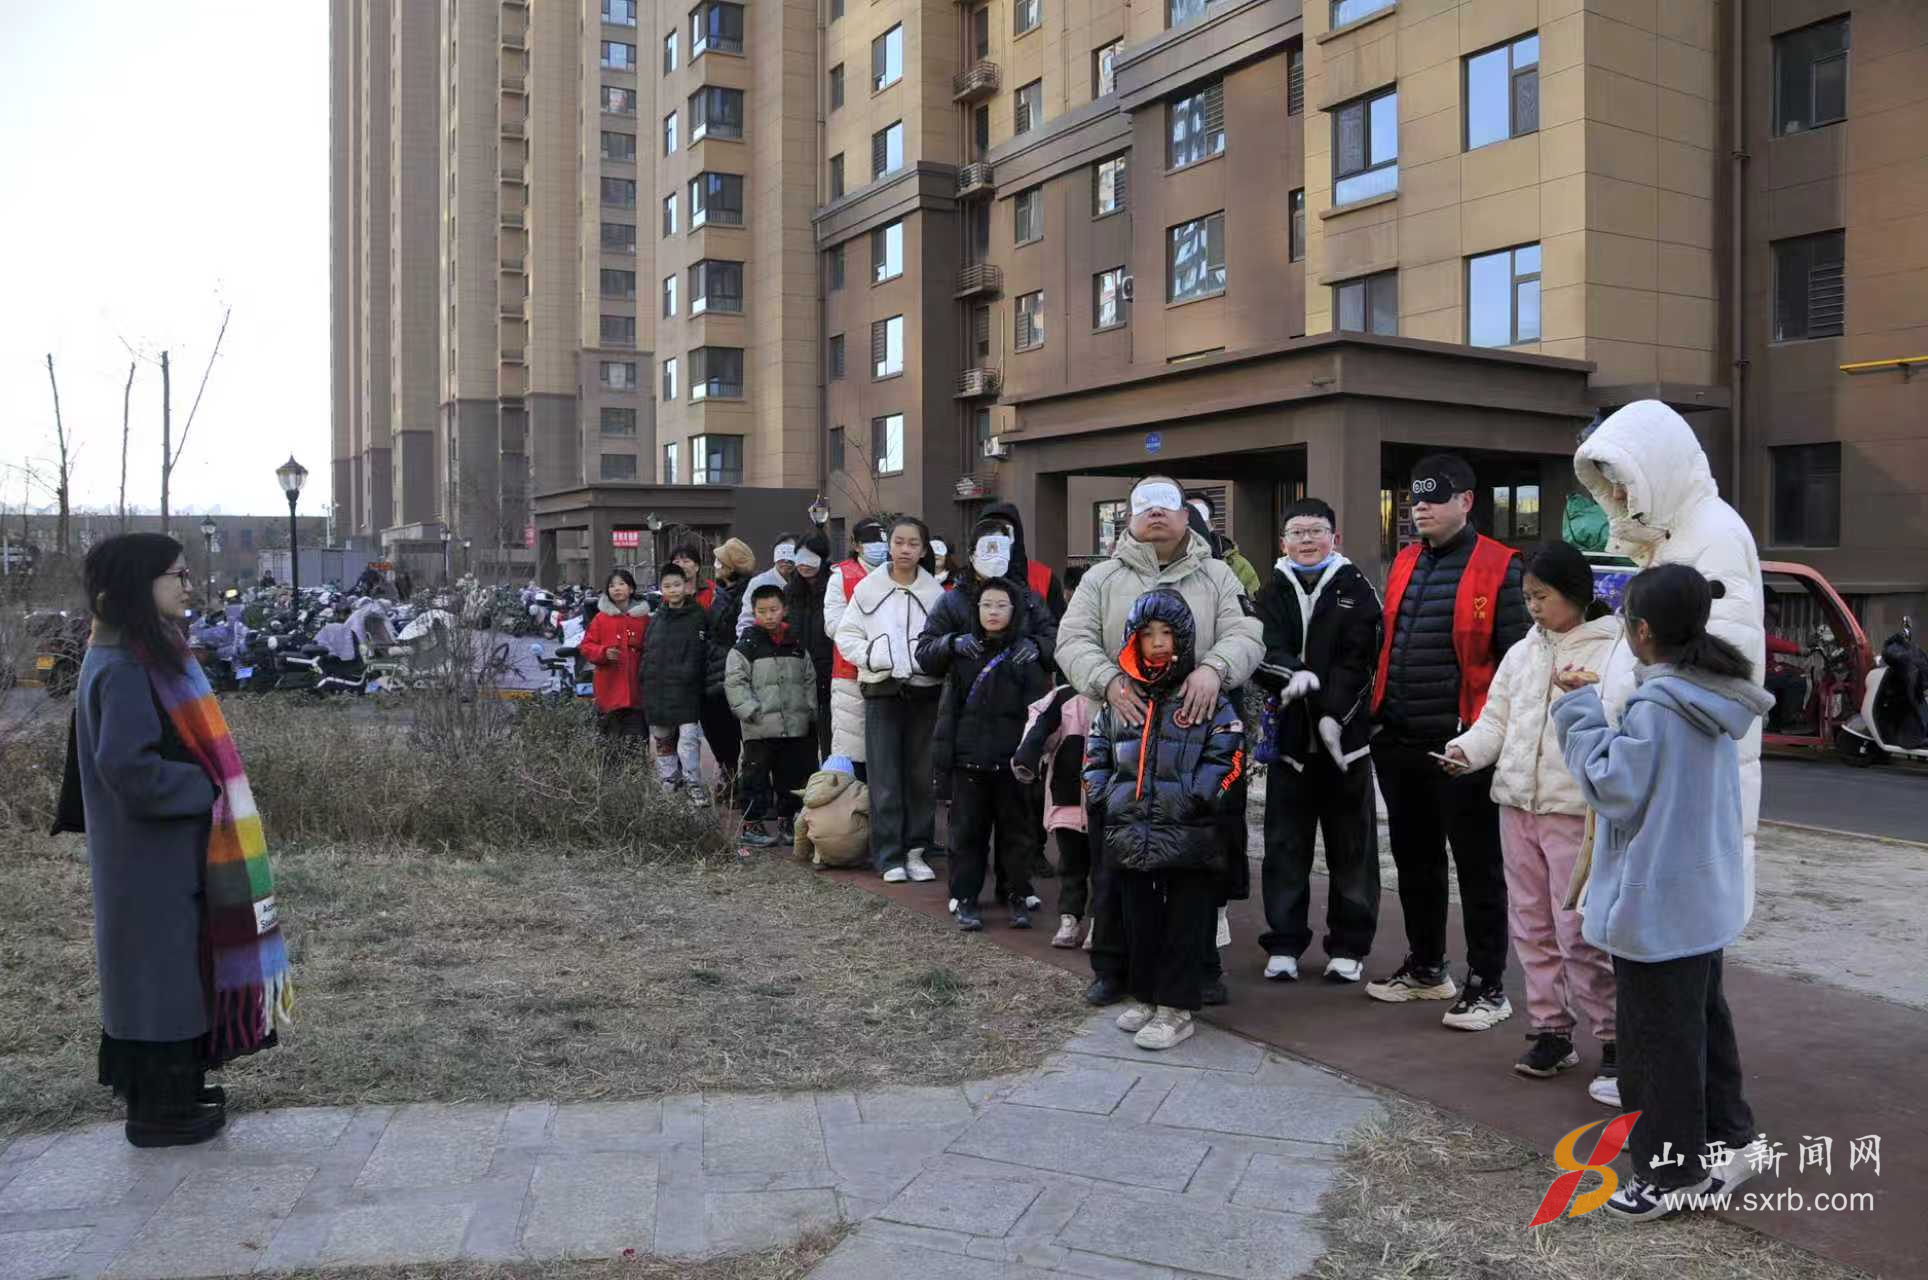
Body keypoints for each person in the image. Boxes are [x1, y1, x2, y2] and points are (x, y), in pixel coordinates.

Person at [1552, 563, 1774, 1221]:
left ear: (1642, 630)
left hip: (1654, 900)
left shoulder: (1658, 705)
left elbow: (1612, 788)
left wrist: (1577, 711)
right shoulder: (1710, 693)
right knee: (1701, 1024)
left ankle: (1669, 1173)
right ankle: (1729, 1140)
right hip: (1698, 894)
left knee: (1654, 1044)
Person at [55, 534, 293, 1147]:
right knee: (159, 984)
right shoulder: (125, 664)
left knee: (174, 976)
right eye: (178, 575)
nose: (189, 586)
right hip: (148, 863)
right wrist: (206, 785)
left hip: (154, 859)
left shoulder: (131, 650)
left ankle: (178, 1094)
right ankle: (157, 1113)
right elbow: (128, 768)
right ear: (141, 583)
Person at [1055, 474, 1264, 1006]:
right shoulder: (1101, 578)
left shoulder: (1217, 575)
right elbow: (1072, 640)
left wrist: (1214, 669)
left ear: (1185, 515)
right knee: (1114, 858)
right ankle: (1113, 966)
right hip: (1123, 739)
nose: (1155, 513)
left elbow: (1247, 634)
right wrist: (1108, 680)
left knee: (1200, 861)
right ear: (1129, 516)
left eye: (1166, 504)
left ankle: (1201, 965)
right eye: (1144, 504)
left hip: (1197, 743)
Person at [1574, 399, 1766, 917]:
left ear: (1658, 468)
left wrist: (1633, 715)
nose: (1617, 495)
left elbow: (1713, 673)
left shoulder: (1712, 536)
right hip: (1660, 768)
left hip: (1676, 774)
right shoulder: (1674, 536)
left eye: (1624, 480)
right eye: (1609, 483)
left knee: (1676, 933)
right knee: (1673, 932)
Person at [1442, 543, 1621, 1098]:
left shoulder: (1614, 651)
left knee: (1579, 932)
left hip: (1574, 811)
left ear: (1576, 594)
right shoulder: (1523, 651)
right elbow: (1495, 720)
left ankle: (1616, 1037)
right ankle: (1550, 1030)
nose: (1534, 607)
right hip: (1516, 804)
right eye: (1528, 598)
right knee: (1531, 925)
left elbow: (1617, 726)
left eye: (1543, 596)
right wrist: (1467, 751)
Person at [1364, 454, 1527, 1030]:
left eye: (1436, 496)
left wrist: (1486, 741)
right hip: (1399, 738)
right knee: (1415, 861)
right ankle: (1427, 967)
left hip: (1465, 747)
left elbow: (1516, 666)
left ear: (1467, 501)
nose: (1422, 507)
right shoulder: (1405, 561)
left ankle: (1489, 984)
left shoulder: (1502, 567)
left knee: (1479, 868)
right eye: (1417, 497)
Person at [1084, 588, 1249, 1050]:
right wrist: (1103, 794)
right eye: (1147, 634)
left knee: (1185, 923)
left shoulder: (1204, 696)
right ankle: (1147, 996)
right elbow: (1097, 749)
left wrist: (1200, 798)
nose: (1157, 643)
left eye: (1166, 633)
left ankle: (1177, 1009)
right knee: (1138, 920)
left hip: (1189, 833)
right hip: (1131, 831)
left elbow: (1228, 750)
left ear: (1184, 638)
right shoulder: (1122, 697)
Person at [1250, 499, 1382, 984]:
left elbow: (1361, 661)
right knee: (1285, 847)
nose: (1307, 540)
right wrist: (1294, 673)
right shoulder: (1271, 590)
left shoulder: (1357, 589)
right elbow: (1261, 648)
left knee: (1352, 849)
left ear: (1335, 537)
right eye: (1297, 532)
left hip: (1347, 747)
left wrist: (1332, 715)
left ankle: (1348, 946)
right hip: (1290, 745)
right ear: (1283, 541)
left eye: (1316, 531)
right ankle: (1284, 943)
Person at [929, 578, 1050, 929]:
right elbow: (948, 713)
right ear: (976, 610)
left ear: (1015, 611)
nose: (993, 612)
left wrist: (1030, 756)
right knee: (967, 833)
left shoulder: (1026, 656)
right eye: (986, 605)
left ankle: (1016, 893)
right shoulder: (963, 654)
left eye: (1001, 605)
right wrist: (945, 759)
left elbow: (1038, 713)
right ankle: (965, 896)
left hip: (1013, 762)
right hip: (969, 760)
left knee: (1016, 833)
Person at [835, 516, 945, 882]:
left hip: (925, 691)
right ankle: (888, 854)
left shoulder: (936, 594)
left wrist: (929, 660)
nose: (905, 550)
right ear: (889, 545)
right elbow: (846, 636)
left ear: (923, 550)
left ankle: (916, 850)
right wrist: (875, 655)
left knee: (920, 775)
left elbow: (945, 639)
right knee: (884, 775)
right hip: (881, 689)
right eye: (899, 542)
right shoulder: (868, 589)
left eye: (913, 544)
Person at [726, 583, 818, 846]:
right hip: (759, 727)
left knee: (791, 775)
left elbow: (808, 679)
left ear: (784, 610)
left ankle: (788, 821)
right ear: (754, 612)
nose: (769, 616)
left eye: (774, 610)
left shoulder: (796, 646)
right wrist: (750, 711)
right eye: (762, 611)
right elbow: (735, 682)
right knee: (755, 776)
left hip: (794, 726)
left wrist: (808, 710)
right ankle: (751, 824)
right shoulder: (745, 647)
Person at [1012, 682, 1096, 947]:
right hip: (1068, 798)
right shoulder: (1063, 697)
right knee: (1070, 866)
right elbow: (1039, 731)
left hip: (1106, 802)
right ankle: (1069, 918)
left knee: (1104, 870)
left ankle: (1100, 922)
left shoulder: (1124, 693)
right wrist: (1027, 756)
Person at [823, 517, 888, 773]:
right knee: (853, 751)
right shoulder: (841, 576)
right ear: (857, 545)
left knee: (886, 751)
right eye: (871, 542)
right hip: (849, 673)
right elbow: (834, 625)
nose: (879, 547)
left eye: (882, 541)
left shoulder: (897, 572)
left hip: (890, 672)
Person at [641, 561, 710, 796]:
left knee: (689, 740)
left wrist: (690, 675)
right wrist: (646, 678)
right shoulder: (657, 618)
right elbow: (649, 652)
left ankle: (693, 785)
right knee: (663, 740)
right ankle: (669, 784)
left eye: (677, 585)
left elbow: (700, 651)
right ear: (661, 588)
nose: (673, 590)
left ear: (686, 586)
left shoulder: (697, 615)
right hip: (658, 690)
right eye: (667, 586)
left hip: (686, 690)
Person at [702, 539, 756, 796]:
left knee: (735, 729)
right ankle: (729, 775)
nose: (715, 565)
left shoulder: (745, 595)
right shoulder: (722, 592)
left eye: (719, 561)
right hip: (715, 670)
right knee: (717, 728)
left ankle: (742, 782)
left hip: (731, 669)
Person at [580, 569, 650, 742]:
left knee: (636, 742)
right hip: (608, 690)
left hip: (637, 691)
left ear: (631, 589)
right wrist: (603, 653)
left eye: (621, 584)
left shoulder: (643, 619)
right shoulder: (601, 619)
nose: (616, 588)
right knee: (609, 743)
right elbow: (586, 646)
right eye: (612, 586)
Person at [786, 533, 835, 759]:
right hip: (798, 670)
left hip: (829, 670)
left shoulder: (834, 586)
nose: (804, 564)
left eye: (811, 557)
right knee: (802, 735)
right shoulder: (790, 591)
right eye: (800, 557)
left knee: (829, 733)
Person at [1186, 492, 1261, 596]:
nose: (1193, 524)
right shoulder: (1166, 559)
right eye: (1188, 518)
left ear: (1212, 524)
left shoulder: (1237, 565)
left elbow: (1252, 601)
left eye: (1199, 518)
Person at [735, 534, 802, 635]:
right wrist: (747, 641)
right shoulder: (758, 582)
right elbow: (746, 620)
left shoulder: (803, 583)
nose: (786, 560)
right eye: (782, 552)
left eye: (791, 553)